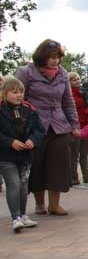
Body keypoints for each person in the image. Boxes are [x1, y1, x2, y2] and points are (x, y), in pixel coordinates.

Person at [16, 39, 80, 216]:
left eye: (58, 57)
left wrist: (74, 125)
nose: (55, 60)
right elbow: (18, 99)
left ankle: (54, 204)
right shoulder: (25, 72)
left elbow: (68, 101)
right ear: (42, 56)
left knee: (58, 165)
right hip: (34, 127)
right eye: (52, 57)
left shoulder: (62, 73)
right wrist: (20, 125)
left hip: (59, 126)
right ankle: (39, 204)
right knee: (37, 165)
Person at [0, 77, 44, 232]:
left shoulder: (29, 110)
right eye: (14, 92)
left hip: (25, 155)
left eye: (21, 91)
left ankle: (23, 215)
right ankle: (15, 217)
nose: (19, 95)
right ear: (4, 93)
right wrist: (10, 141)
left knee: (23, 185)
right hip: (6, 156)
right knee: (14, 184)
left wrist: (33, 140)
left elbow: (39, 130)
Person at [68, 71, 88, 185]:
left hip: (85, 125)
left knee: (84, 152)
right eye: (74, 80)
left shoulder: (83, 91)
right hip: (75, 126)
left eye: (78, 79)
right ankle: (73, 177)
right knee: (74, 154)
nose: (77, 81)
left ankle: (87, 175)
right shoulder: (68, 94)